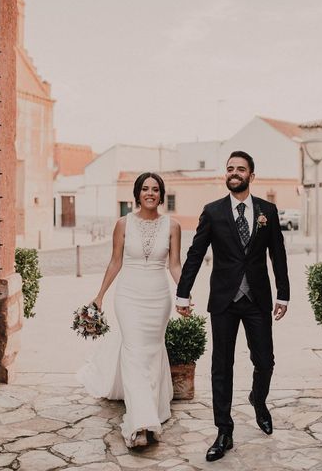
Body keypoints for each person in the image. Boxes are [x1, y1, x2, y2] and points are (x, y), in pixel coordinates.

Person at [175, 150, 290, 462]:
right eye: (229, 169)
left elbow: (277, 254)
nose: (234, 173)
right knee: (221, 366)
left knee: (265, 360)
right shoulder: (212, 212)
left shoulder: (268, 210)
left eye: (240, 169)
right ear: (225, 174)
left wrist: (283, 293)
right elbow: (195, 255)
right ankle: (224, 430)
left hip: (257, 300)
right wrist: (182, 293)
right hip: (224, 300)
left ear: (251, 175)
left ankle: (258, 399)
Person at [77, 172, 185, 448]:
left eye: (156, 189)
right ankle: (140, 423)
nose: (150, 193)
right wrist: (100, 295)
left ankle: (151, 409)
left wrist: (184, 295)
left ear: (161, 195)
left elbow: (174, 265)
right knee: (134, 352)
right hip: (128, 296)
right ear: (137, 194)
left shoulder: (173, 226)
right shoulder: (123, 224)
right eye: (145, 189)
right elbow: (115, 262)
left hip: (158, 297)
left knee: (151, 352)